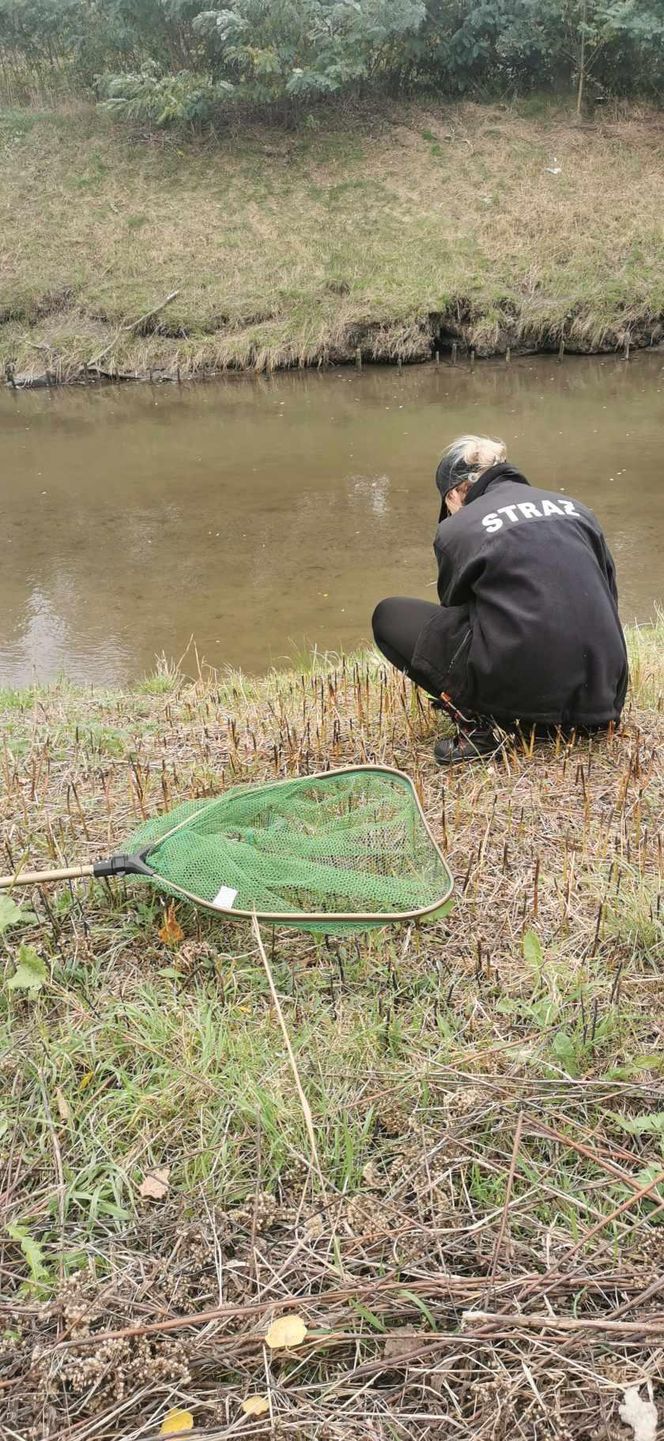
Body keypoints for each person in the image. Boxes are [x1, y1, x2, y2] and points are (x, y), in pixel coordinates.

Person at [372, 434, 628, 765]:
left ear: (455, 492)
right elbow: (608, 595)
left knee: (389, 615)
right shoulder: (577, 510)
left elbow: (456, 607)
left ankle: (480, 729)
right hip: (604, 698)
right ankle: (583, 714)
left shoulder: (460, 528)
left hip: (526, 695)